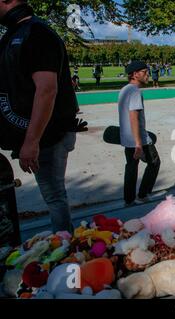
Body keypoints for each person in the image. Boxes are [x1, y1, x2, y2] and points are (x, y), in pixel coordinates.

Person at [0, 0, 86, 232]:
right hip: (38, 134)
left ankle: (64, 251)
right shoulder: (14, 35)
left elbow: (47, 90)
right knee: (54, 196)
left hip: (50, 135)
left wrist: (31, 141)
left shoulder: (37, 34)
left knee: (54, 197)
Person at [118, 61, 161, 205]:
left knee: (131, 166)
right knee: (154, 163)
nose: (147, 74)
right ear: (135, 74)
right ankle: (142, 195)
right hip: (139, 139)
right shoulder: (135, 91)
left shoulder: (124, 90)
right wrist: (138, 143)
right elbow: (133, 116)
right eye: (144, 71)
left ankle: (129, 200)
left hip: (127, 138)